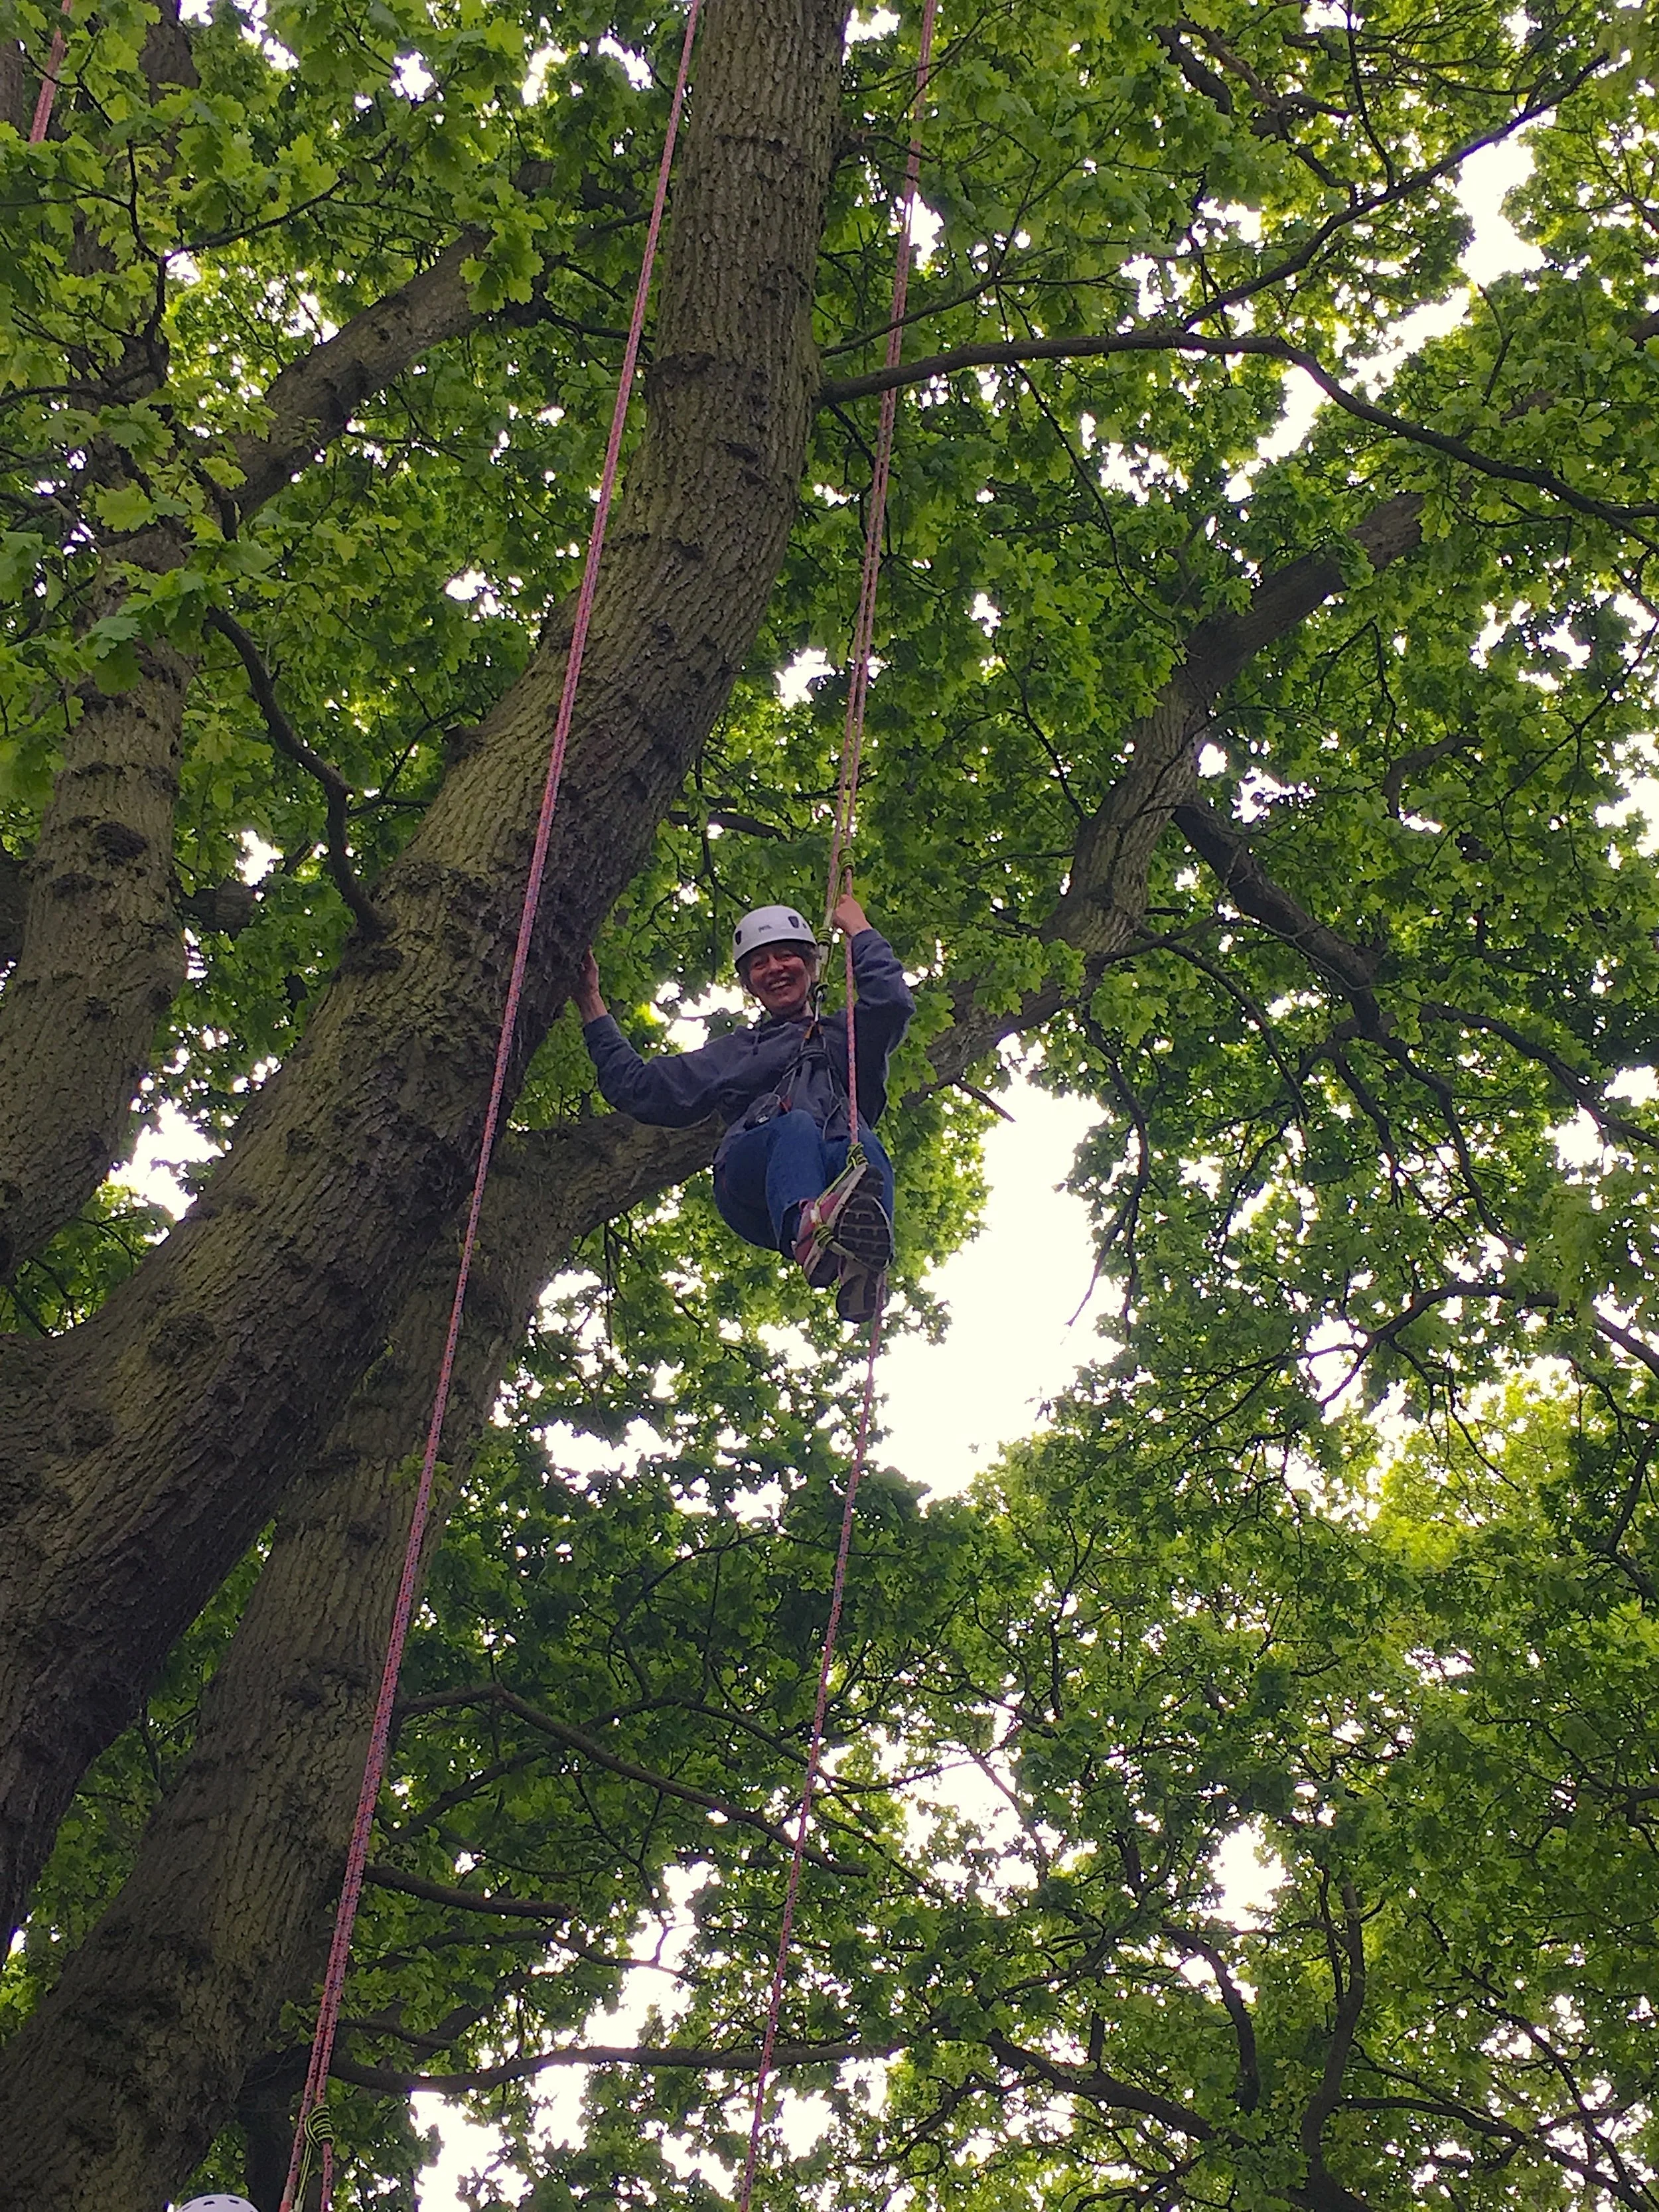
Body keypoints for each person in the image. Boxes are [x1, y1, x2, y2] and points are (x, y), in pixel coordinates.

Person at [575, 891, 914, 1323]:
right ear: (749, 983)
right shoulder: (736, 1053)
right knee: (796, 1129)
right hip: (753, 1178)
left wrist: (861, 932)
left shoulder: (843, 1036)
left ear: (811, 966)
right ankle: (807, 1231)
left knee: (863, 1144)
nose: (774, 968)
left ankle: (861, 1263)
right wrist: (590, 1002)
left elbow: (891, 1004)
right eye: (760, 963)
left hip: (831, 1165)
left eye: (786, 956)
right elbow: (638, 1086)